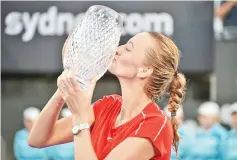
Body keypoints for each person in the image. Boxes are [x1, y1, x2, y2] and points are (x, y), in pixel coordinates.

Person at [28, 32, 186, 160]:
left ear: (144, 70)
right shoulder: (108, 105)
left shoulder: (155, 125)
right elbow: (38, 139)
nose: (118, 49)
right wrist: (69, 84)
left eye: (128, 48)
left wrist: (79, 116)